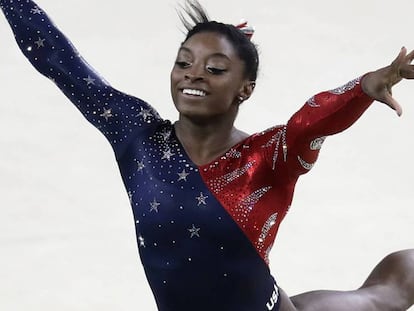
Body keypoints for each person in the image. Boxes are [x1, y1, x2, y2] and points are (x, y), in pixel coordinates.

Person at [0, 0, 413, 310]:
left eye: (215, 69)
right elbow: (63, 64)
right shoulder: (140, 139)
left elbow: (310, 124)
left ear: (245, 88)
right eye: (184, 63)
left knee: (384, 296)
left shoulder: (267, 157)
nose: (193, 74)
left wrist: (363, 88)